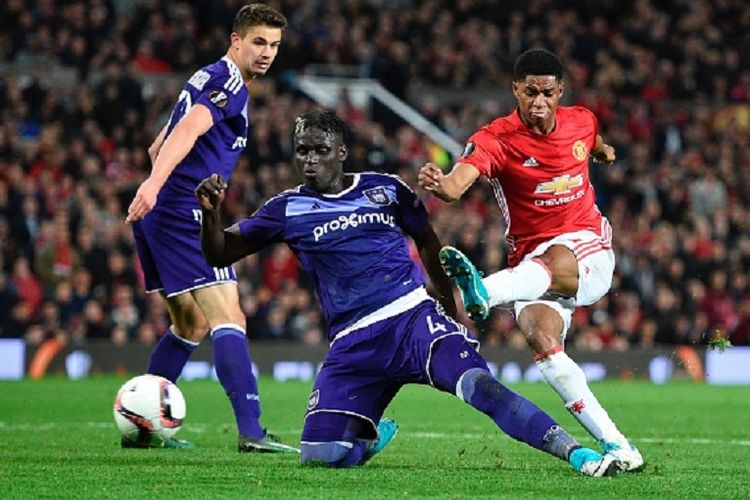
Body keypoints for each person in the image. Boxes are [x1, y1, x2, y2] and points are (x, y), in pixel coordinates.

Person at [196, 110, 621, 476]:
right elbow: (221, 250)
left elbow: (428, 243)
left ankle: (577, 453)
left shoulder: (385, 189)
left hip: (413, 319)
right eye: (302, 150)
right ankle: (367, 434)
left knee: (480, 387)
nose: (310, 160)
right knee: (320, 456)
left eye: (320, 150)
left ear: (341, 152)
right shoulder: (285, 209)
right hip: (352, 343)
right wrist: (210, 216)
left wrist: (447, 304)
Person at [417, 48, 643, 472]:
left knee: (555, 257)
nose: (539, 102)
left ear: (561, 92)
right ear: (515, 90)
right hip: (531, 265)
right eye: (530, 92)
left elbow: (593, 142)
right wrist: (442, 185)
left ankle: (486, 290)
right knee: (541, 339)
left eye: (548, 93)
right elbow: (457, 184)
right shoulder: (495, 139)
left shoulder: (582, 120)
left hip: (587, 249)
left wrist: (603, 152)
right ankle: (620, 447)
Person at [124, 3, 295, 453]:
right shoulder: (230, 85)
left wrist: (155, 187)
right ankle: (252, 433)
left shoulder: (204, 76)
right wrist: (156, 186)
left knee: (191, 322)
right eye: (258, 42)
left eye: (274, 45)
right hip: (183, 211)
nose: (267, 53)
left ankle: (143, 428)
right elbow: (180, 138)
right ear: (235, 41)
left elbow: (156, 143)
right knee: (229, 316)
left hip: (163, 210)